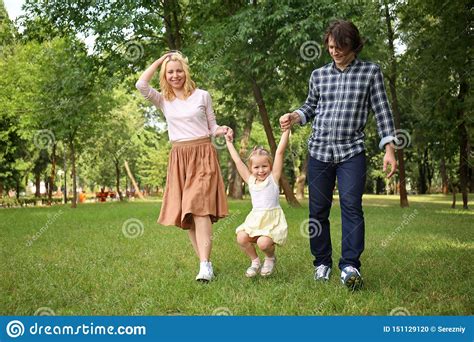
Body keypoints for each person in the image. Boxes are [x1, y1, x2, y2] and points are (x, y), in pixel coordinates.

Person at [280, 20, 398, 290]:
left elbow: (382, 111)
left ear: (353, 46)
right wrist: (294, 116)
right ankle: (322, 263)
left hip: (351, 152)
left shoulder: (371, 72)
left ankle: (350, 266)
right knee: (317, 211)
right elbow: (309, 107)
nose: (335, 52)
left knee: (351, 207)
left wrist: (389, 148)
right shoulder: (319, 75)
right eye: (331, 47)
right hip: (319, 151)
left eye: (341, 48)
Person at [136, 51, 232, 282]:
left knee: (199, 209)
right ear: (165, 75)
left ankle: (205, 265)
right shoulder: (163, 100)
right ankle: (205, 264)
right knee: (187, 215)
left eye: (179, 70)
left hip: (202, 154)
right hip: (179, 157)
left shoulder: (202, 96)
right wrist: (161, 60)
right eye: (170, 72)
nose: (175, 75)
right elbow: (141, 84)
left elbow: (212, 126)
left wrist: (223, 129)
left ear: (186, 72)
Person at [225, 129, 290, 277]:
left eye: (264, 166)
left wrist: (286, 131)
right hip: (255, 220)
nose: (261, 170)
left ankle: (270, 258)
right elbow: (237, 161)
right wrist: (229, 142)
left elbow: (279, 152)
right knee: (241, 237)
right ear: (250, 168)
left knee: (263, 243)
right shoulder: (250, 180)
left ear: (270, 166)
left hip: (271, 221)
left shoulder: (273, 179)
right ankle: (255, 262)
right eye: (256, 167)